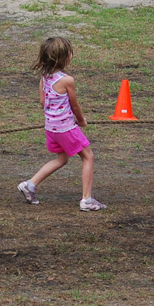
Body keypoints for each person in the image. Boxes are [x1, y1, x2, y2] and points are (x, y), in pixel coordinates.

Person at [16, 37, 105, 211]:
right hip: (66, 128)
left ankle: (30, 184)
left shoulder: (44, 77)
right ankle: (87, 200)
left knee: (62, 158)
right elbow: (75, 105)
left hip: (51, 128)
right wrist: (81, 121)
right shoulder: (67, 80)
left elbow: (43, 102)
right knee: (88, 156)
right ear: (63, 58)